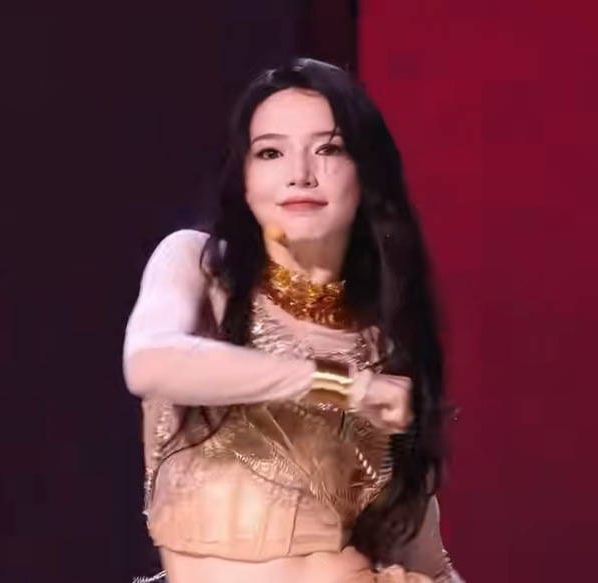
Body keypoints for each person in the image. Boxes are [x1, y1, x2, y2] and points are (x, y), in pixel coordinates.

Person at [123, 58, 464, 583]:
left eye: (328, 149)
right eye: (271, 152)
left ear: (365, 174)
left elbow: (425, 555)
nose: (299, 173)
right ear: (244, 180)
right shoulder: (201, 270)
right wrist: (342, 386)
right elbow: (149, 362)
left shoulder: (383, 346)